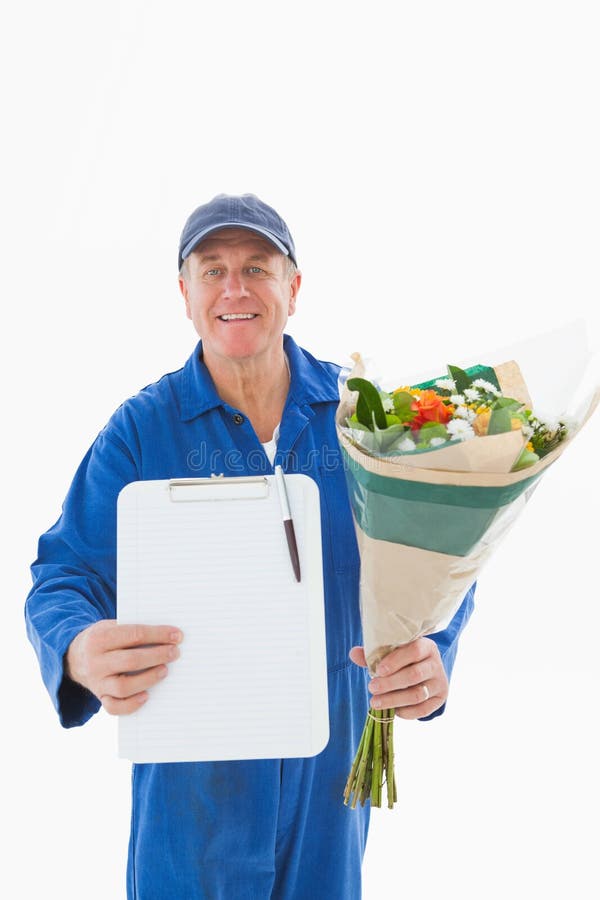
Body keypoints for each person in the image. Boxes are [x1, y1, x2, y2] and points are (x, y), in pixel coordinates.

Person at [26, 193, 475, 899]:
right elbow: (65, 572)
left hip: (331, 774)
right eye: (213, 270)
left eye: (257, 268)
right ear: (185, 294)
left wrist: (434, 650)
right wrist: (78, 648)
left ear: (293, 288)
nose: (234, 288)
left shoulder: (364, 416)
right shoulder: (141, 431)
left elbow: (442, 550)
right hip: (191, 785)